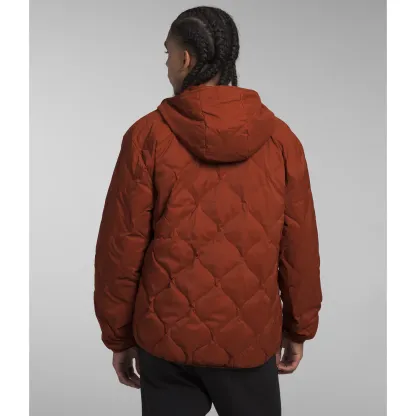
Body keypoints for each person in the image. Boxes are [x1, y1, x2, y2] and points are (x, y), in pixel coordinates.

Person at [93, 5, 322, 416]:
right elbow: (299, 246)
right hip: (249, 339)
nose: (166, 65)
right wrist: (299, 327)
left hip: (166, 341)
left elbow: (121, 247)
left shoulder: (147, 136)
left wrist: (118, 336)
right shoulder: (281, 140)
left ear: (186, 59)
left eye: (167, 54)